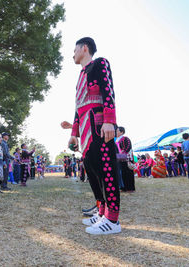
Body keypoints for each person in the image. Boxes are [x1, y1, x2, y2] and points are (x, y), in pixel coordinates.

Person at [68, 37, 121, 234]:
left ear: (84, 48)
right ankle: (102, 211)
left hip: (99, 124)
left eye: (74, 49)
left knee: (106, 168)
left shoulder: (100, 63)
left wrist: (109, 120)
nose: (72, 54)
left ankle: (113, 220)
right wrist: (74, 134)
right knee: (91, 169)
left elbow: (108, 91)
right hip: (85, 128)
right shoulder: (80, 77)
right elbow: (77, 108)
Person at [116, 127, 135, 192]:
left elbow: (128, 147)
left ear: (122, 132)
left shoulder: (125, 138)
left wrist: (122, 153)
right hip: (119, 157)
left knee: (128, 172)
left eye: (118, 131)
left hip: (126, 158)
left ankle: (130, 188)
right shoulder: (116, 140)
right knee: (121, 173)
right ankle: (123, 187)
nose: (116, 132)